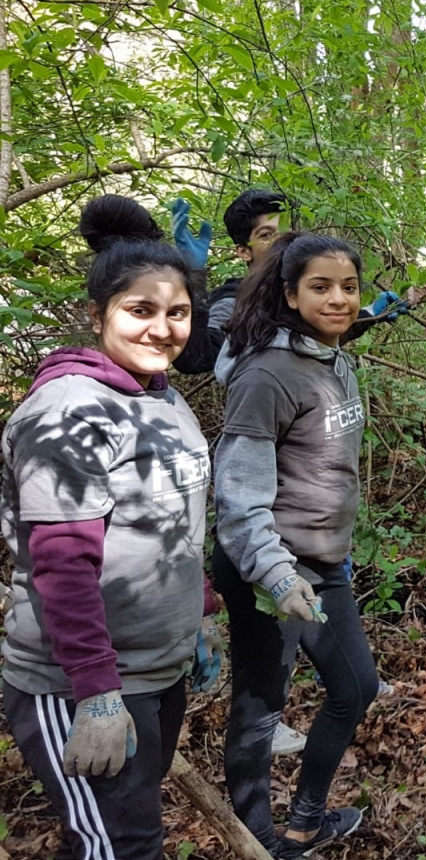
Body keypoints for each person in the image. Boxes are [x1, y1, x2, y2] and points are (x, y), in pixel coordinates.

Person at [1, 195, 210, 859]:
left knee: (115, 840)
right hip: (83, 682)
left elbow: (172, 526)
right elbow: (62, 565)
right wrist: (95, 693)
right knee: (119, 848)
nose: (163, 328)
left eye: (177, 312)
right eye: (140, 311)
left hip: (154, 672)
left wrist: (194, 617)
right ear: (98, 316)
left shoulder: (164, 399)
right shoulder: (68, 412)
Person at [212, 232, 379, 858]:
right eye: (321, 287)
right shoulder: (266, 375)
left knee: (356, 688)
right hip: (270, 569)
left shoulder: (333, 360)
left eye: (349, 286)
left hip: (324, 562)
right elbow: (239, 491)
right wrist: (277, 574)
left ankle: (305, 822)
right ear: (289, 293)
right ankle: (258, 843)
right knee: (260, 711)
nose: (339, 299)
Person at [171, 189, 401, 375]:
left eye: (284, 232)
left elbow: (317, 331)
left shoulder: (300, 287)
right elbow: (195, 359)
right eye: (266, 235)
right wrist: (193, 276)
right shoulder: (235, 302)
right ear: (243, 251)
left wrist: (372, 313)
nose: (281, 241)